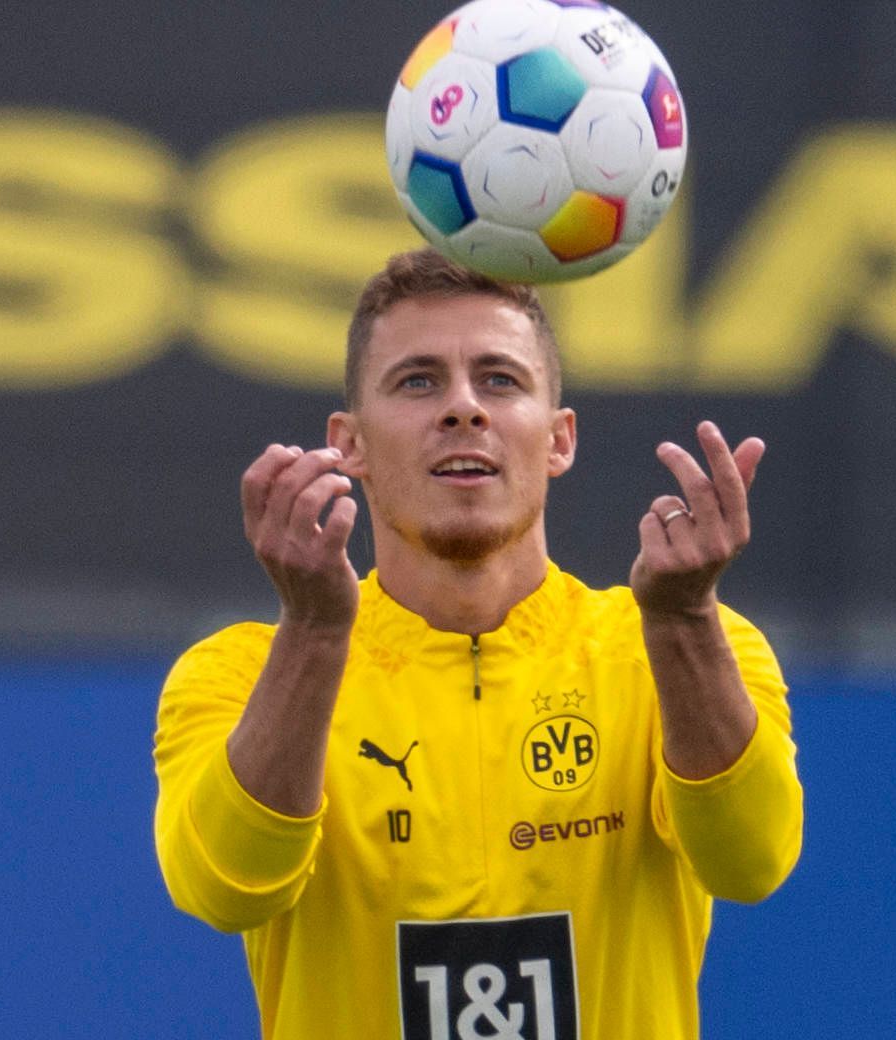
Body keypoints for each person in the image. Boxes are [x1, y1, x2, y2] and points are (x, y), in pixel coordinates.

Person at [153, 248, 803, 1040]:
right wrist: (317, 632)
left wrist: (682, 621)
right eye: (418, 381)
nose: (463, 409)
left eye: (499, 379)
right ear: (347, 443)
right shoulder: (238, 671)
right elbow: (225, 888)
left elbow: (752, 862)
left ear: (559, 439)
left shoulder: (682, 646)